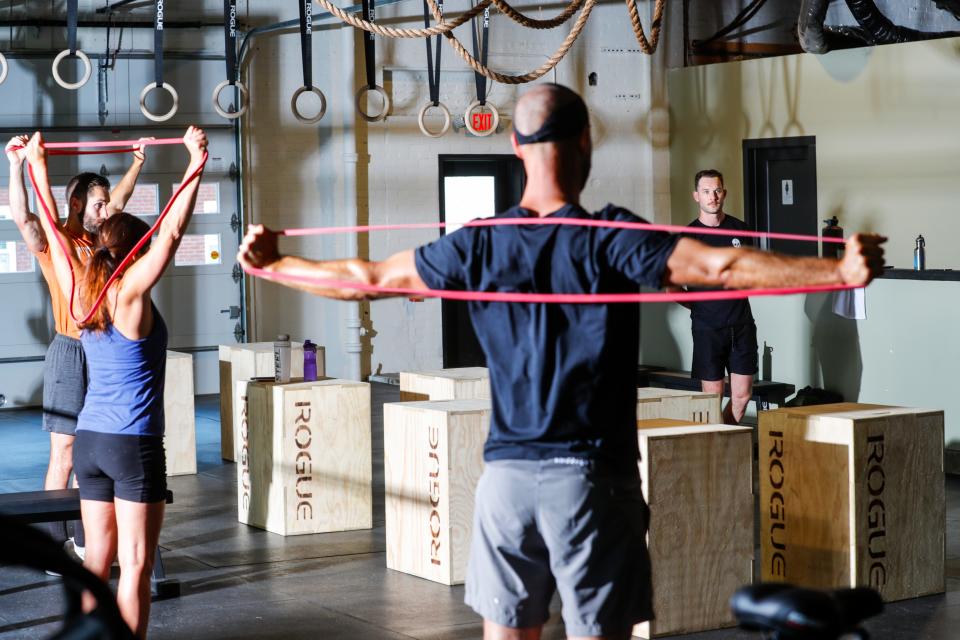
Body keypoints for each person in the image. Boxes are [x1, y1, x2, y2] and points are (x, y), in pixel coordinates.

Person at [237, 84, 884, 640]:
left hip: (506, 485)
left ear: (517, 150)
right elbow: (722, 265)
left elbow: (365, 275)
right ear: (586, 144)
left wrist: (276, 267)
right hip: (590, 482)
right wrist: (838, 269)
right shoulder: (610, 237)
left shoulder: (480, 244)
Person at [24, 127, 207, 639]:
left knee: (95, 562)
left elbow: (57, 240)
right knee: (136, 566)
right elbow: (169, 236)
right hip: (133, 445)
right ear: (132, 255)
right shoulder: (128, 298)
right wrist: (196, 163)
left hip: (90, 443)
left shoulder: (82, 295)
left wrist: (37, 166)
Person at [5, 135, 151, 560]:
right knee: (65, 452)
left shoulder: (104, 239)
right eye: (99, 205)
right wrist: (17, 166)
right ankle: (55, 545)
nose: (109, 211)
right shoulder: (58, 244)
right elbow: (25, 217)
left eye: (107, 204)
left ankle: (92, 541)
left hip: (104, 350)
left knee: (100, 450)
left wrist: (138, 162)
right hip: (70, 351)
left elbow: (119, 200)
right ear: (77, 207)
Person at [682, 169, 757, 424]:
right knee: (712, 398)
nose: (712, 196)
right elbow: (670, 288)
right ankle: (714, 452)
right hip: (707, 328)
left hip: (741, 325)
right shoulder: (687, 238)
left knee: (742, 396)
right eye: (706, 192)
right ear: (696, 196)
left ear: (723, 193)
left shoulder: (742, 230)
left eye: (716, 190)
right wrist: (700, 307)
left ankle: (725, 441)